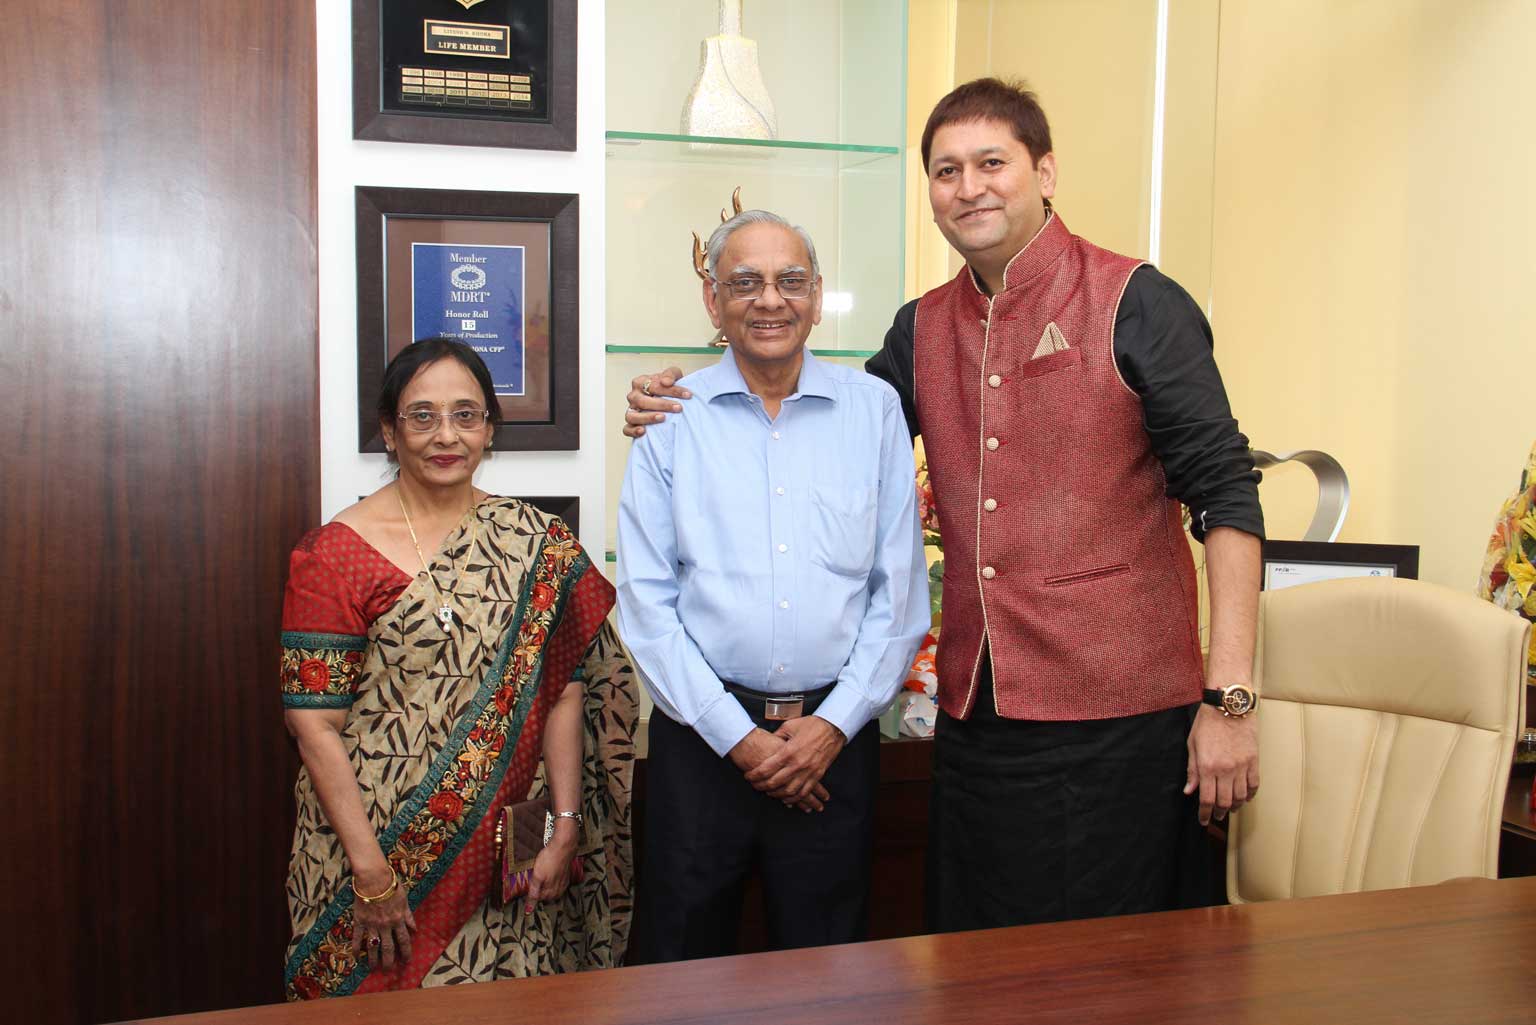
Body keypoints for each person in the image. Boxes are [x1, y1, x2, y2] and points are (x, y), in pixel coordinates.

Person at [621, 79, 1264, 932]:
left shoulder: (1136, 301)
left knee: (1112, 966)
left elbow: (1227, 494)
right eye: (946, 170)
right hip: (975, 719)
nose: (969, 187)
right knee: (974, 958)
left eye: (992, 163)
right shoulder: (921, 328)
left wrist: (1230, 699)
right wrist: (680, 397)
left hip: (1120, 718)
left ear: (1045, 172)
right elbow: (821, 422)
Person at [280, 338, 638, 999]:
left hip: (512, 838)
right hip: (377, 848)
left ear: (490, 428)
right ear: (390, 432)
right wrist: (372, 872)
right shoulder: (336, 555)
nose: (446, 435)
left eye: (465, 415)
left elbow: (563, 692)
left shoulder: (536, 543)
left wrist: (564, 825)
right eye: (422, 416)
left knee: (513, 1001)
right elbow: (314, 727)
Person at [616, 210, 929, 960]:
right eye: (744, 282)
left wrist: (832, 726)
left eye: (790, 281)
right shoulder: (670, 417)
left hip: (834, 743)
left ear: (817, 296)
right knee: (682, 969)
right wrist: (740, 740)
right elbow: (648, 605)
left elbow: (898, 595)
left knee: (830, 970)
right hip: (702, 743)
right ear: (712, 300)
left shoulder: (874, 411)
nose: (770, 300)